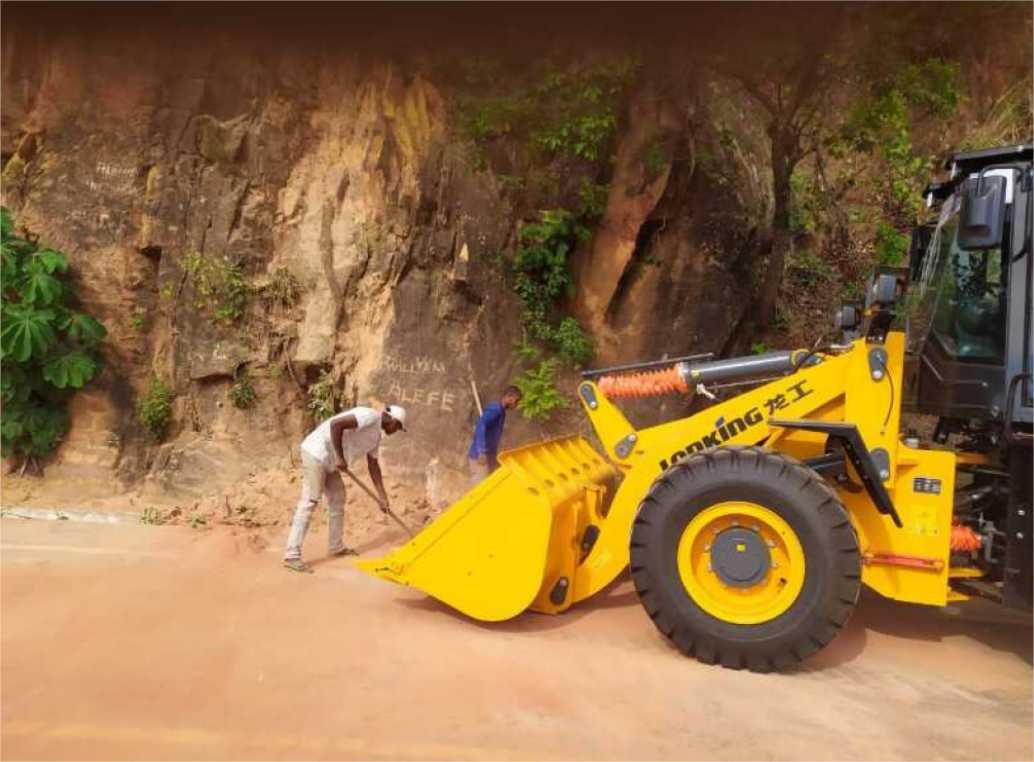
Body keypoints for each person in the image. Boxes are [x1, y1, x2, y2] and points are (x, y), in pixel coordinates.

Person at [283, 404, 407, 573]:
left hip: (331, 462)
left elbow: (373, 465)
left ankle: (336, 547)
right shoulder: (369, 416)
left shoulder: (376, 437)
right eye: (398, 427)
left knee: (338, 498)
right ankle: (291, 555)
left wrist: (382, 496)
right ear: (393, 421)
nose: (395, 431)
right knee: (309, 501)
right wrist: (340, 457)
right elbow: (336, 424)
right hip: (317, 453)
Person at [467, 385, 521, 485]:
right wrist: (481, 451)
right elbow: (481, 425)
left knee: (486, 484)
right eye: (516, 401)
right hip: (479, 457)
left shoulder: (501, 411)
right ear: (510, 397)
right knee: (479, 487)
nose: (516, 404)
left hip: (487, 456)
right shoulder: (496, 410)